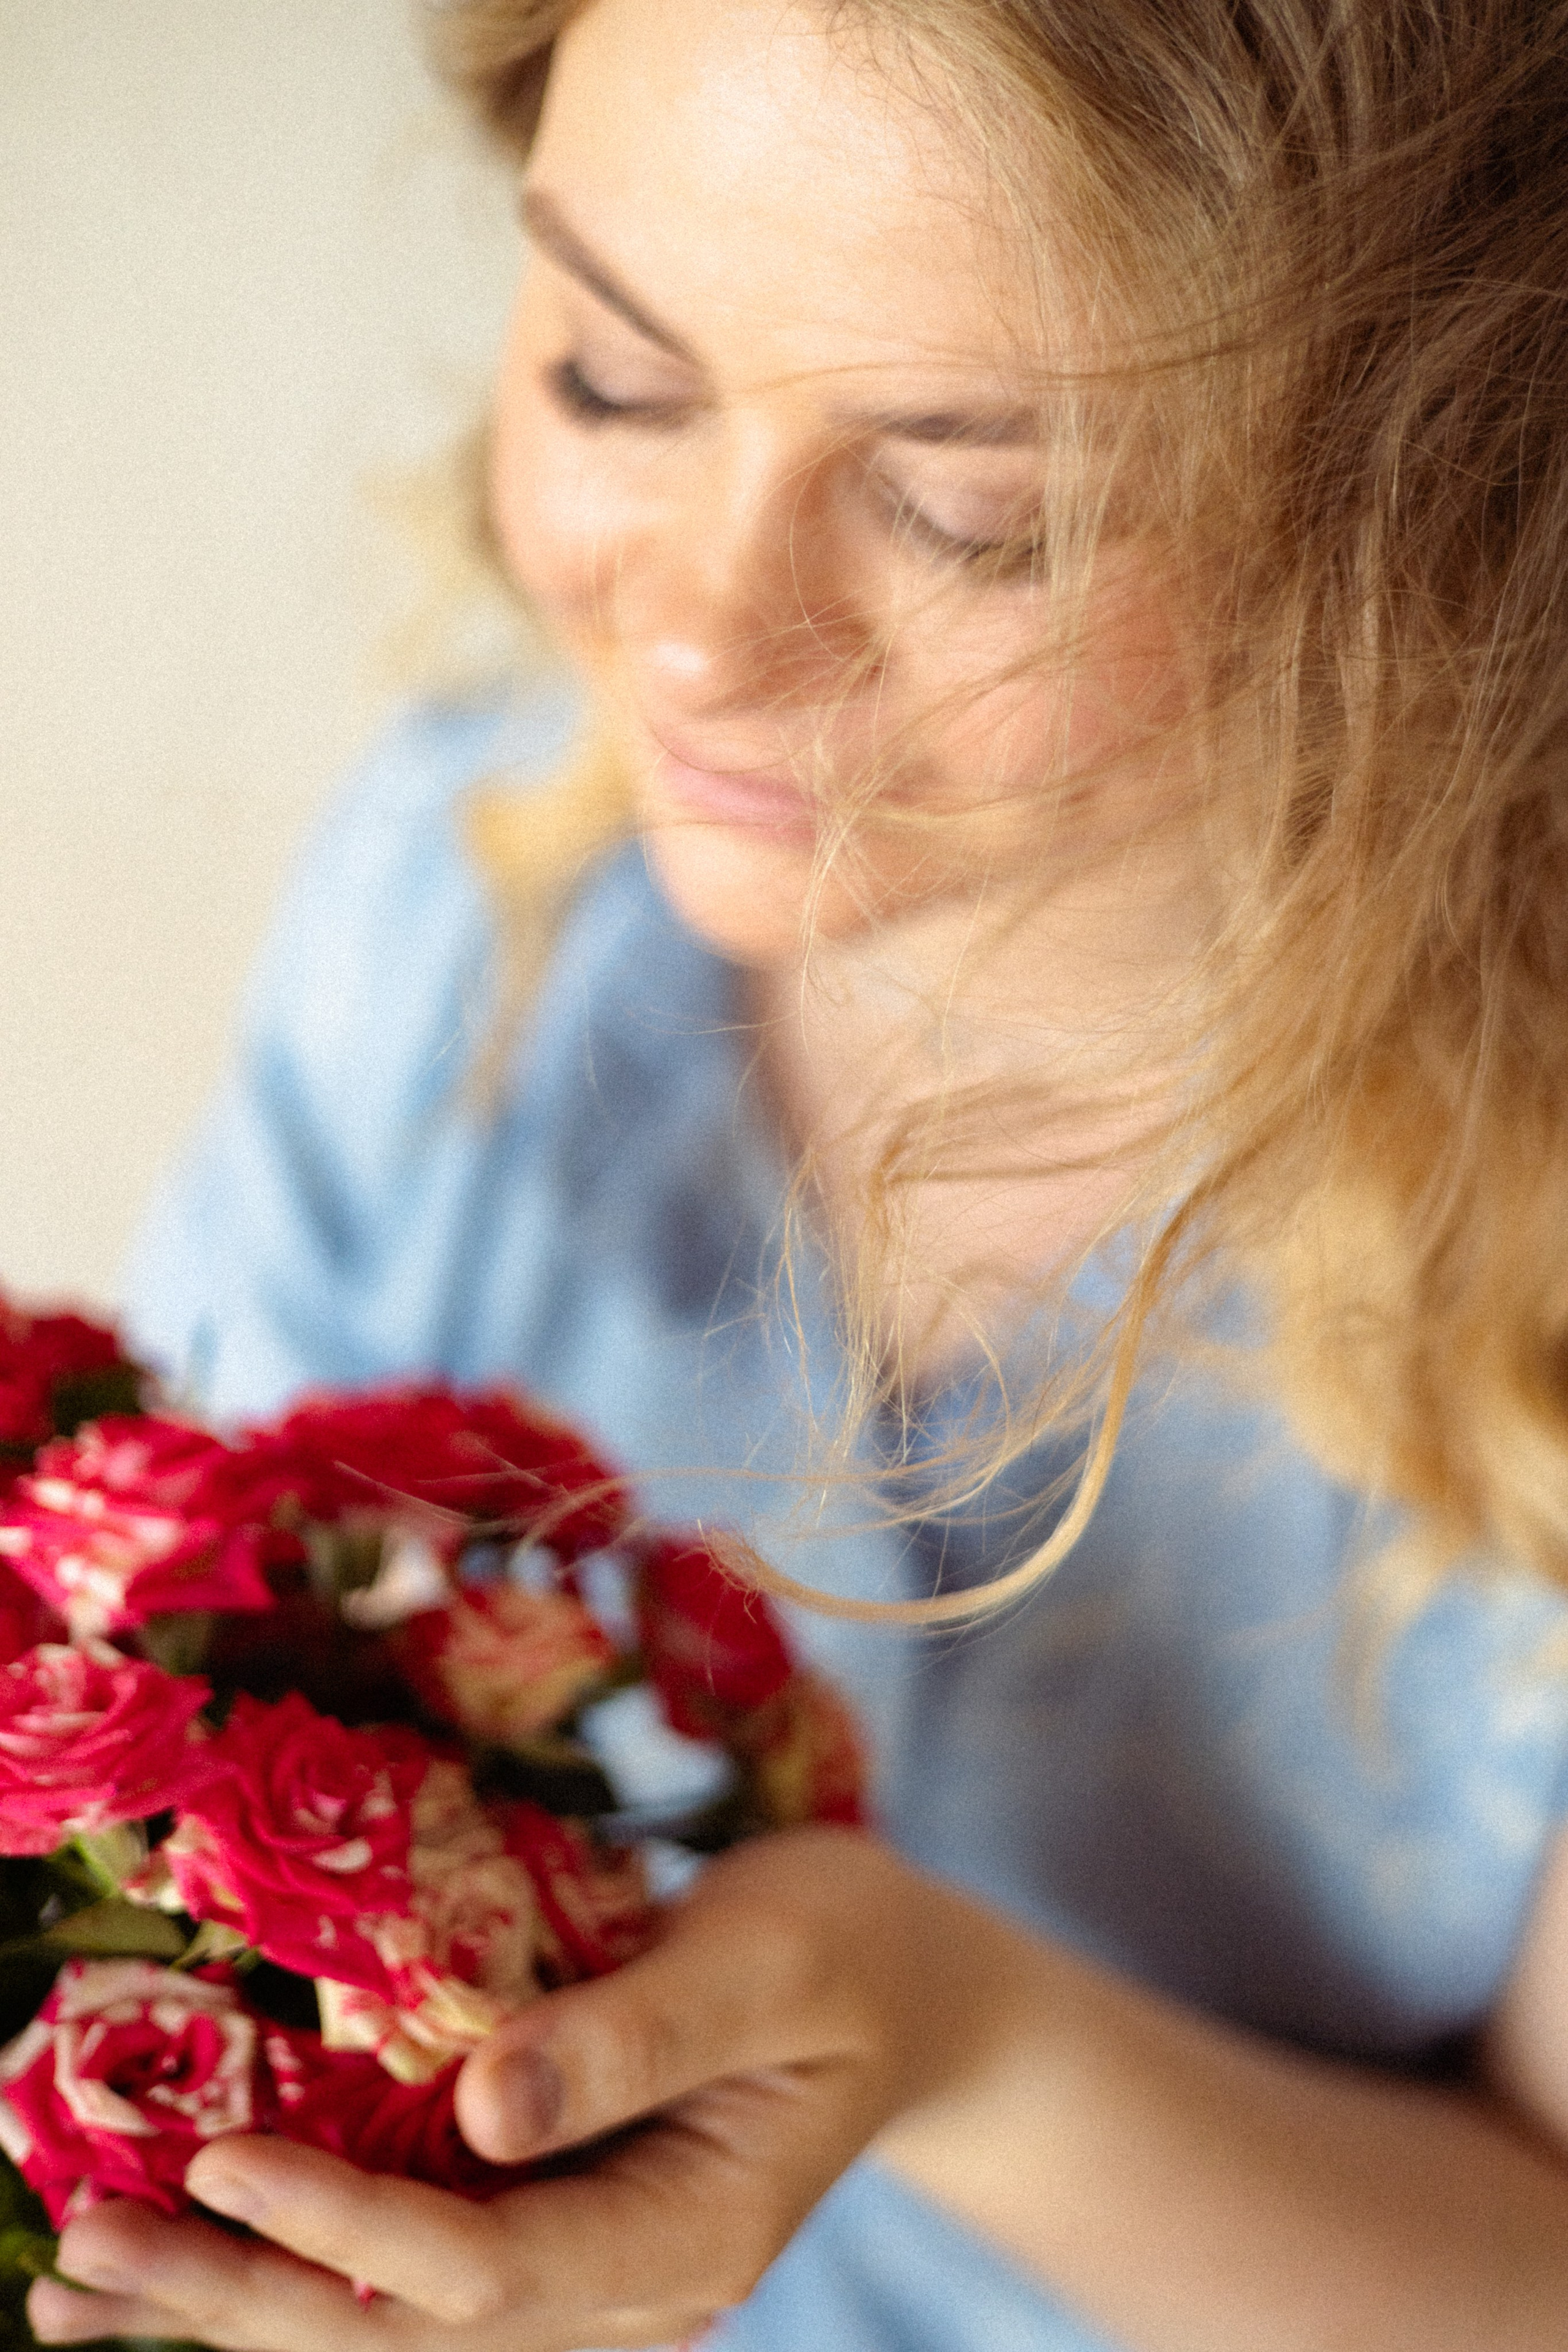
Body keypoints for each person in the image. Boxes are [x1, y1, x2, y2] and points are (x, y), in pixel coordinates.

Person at [28, 0, 1568, 2346]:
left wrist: (954, 2032)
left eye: (976, 510)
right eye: (616, 383)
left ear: (1440, 528)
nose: (706, 631)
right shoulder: (478, 920)